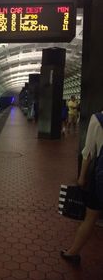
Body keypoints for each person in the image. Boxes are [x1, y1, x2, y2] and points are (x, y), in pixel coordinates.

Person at [61, 111, 103, 265]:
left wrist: (81, 177)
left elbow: (88, 152)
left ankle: (73, 252)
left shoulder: (98, 119)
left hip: (100, 179)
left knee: (90, 216)